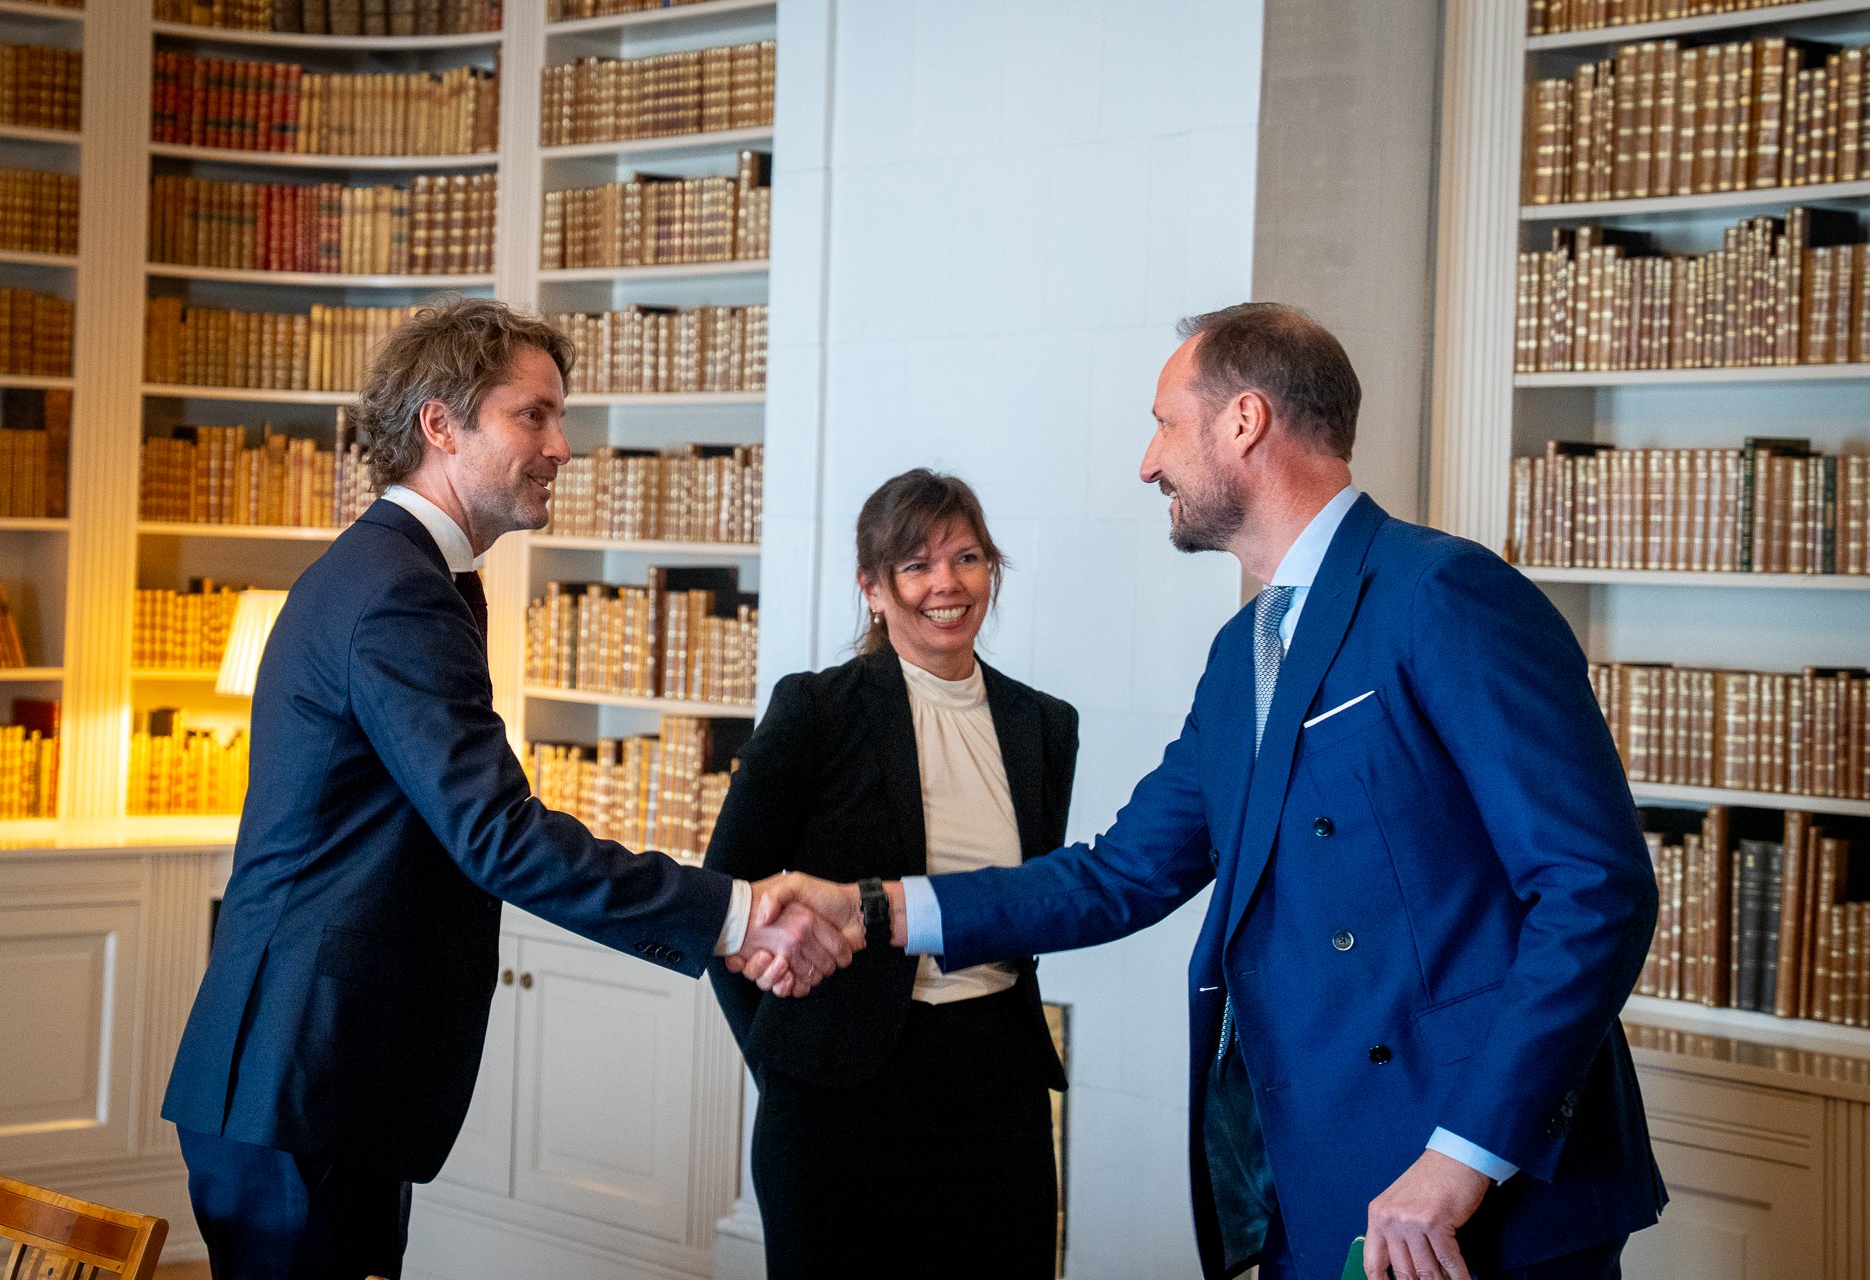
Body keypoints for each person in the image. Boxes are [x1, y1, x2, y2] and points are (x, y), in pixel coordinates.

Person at [753, 303, 1666, 1280]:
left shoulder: (1442, 592)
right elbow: (1118, 874)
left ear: (1244, 421)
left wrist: (1464, 1155)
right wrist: (873, 907)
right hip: (1304, 1184)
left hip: (1471, 1196)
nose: (1149, 463)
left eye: (1165, 424)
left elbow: (1594, 887)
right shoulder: (1241, 656)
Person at [162, 298, 860, 1280]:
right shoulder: (397, 590)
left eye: (559, 417)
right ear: (439, 424)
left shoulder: (404, 573)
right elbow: (496, 832)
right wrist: (736, 915)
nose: (562, 446)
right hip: (304, 1071)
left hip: (314, 1071)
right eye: (533, 415)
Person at [705, 469, 1077, 1280]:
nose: (948, 584)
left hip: (998, 1082)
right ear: (872, 590)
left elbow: (1032, 902)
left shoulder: (1046, 726)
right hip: (838, 1094)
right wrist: (781, 1061)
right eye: (916, 565)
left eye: (967, 558)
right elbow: (723, 903)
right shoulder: (816, 710)